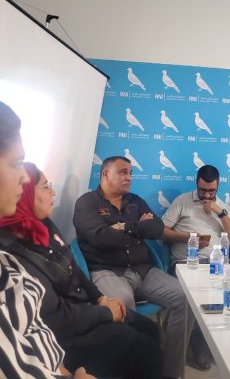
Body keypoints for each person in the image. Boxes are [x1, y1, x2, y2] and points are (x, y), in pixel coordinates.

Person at [0, 161, 163, 379]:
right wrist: (106, 312)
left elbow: (74, 269)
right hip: (68, 332)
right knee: (147, 352)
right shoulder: (11, 253)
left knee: (151, 330)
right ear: (24, 193)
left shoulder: (45, 224)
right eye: (46, 187)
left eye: (131, 173)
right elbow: (57, 316)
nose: (53, 193)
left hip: (94, 302)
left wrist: (100, 298)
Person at [73, 156, 191, 379]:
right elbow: (101, 238)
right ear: (105, 174)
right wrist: (138, 227)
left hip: (143, 269)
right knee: (122, 303)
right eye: (123, 172)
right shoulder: (87, 203)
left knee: (185, 298)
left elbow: (156, 229)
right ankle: (132, 372)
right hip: (108, 271)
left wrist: (122, 226)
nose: (128, 177)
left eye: (130, 173)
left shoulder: (135, 201)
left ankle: (169, 371)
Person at [0, 101, 93, 378]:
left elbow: (34, 333)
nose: (23, 178)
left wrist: (63, 372)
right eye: (16, 163)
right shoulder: (11, 249)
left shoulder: (8, 263)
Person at [162, 164, 230, 371]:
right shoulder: (182, 201)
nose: (206, 195)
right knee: (195, 296)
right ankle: (197, 342)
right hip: (186, 263)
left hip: (217, 264)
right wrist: (188, 238)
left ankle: (214, 342)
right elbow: (162, 231)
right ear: (196, 183)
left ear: (218, 186)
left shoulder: (222, 207)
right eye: (203, 190)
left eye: (211, 191)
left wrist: (221, 213)